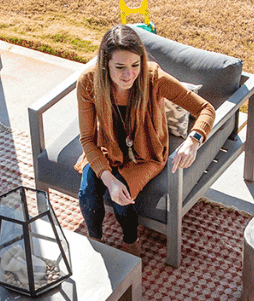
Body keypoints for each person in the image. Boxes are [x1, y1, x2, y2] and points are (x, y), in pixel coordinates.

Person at [75, 25, 216, 245]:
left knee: (124, 205)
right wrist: (108, 179)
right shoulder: (88, 81)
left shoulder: (153, 78)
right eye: (120, 67)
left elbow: (205, 109)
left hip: (145, 155)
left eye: (135, 65)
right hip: (105, 149)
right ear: (105, 65)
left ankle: (132, 247)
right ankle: (96, 245)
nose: (128, 74)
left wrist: (193, 139)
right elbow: (87, 139)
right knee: (87, 197)